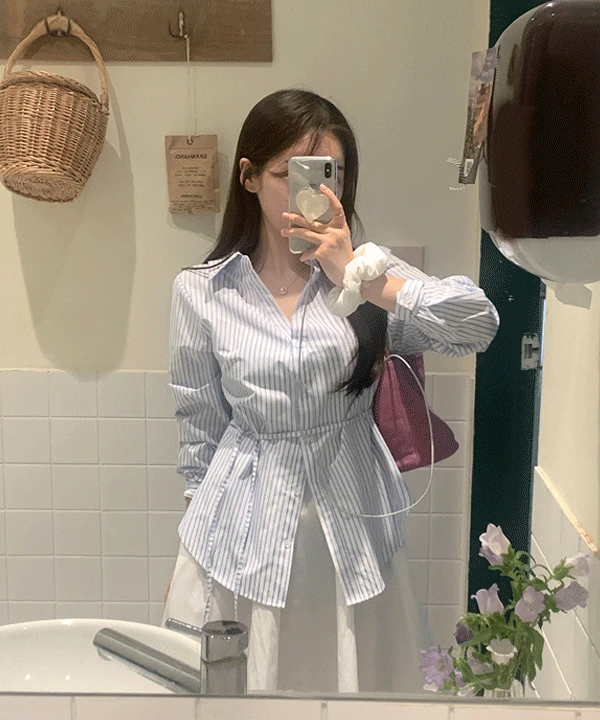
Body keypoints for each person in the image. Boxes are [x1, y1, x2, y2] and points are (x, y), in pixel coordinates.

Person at [162, 89, 499, 694]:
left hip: (352, 531)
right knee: (248, 689)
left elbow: (479, 323)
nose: (315, 194)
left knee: (355, 686)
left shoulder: (367, 273)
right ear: (248, 177)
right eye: (290, 174)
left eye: (330, 175)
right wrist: (190, 561)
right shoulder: (202, 291)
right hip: (241, 538)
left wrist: (363, 281)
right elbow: (200, 436)